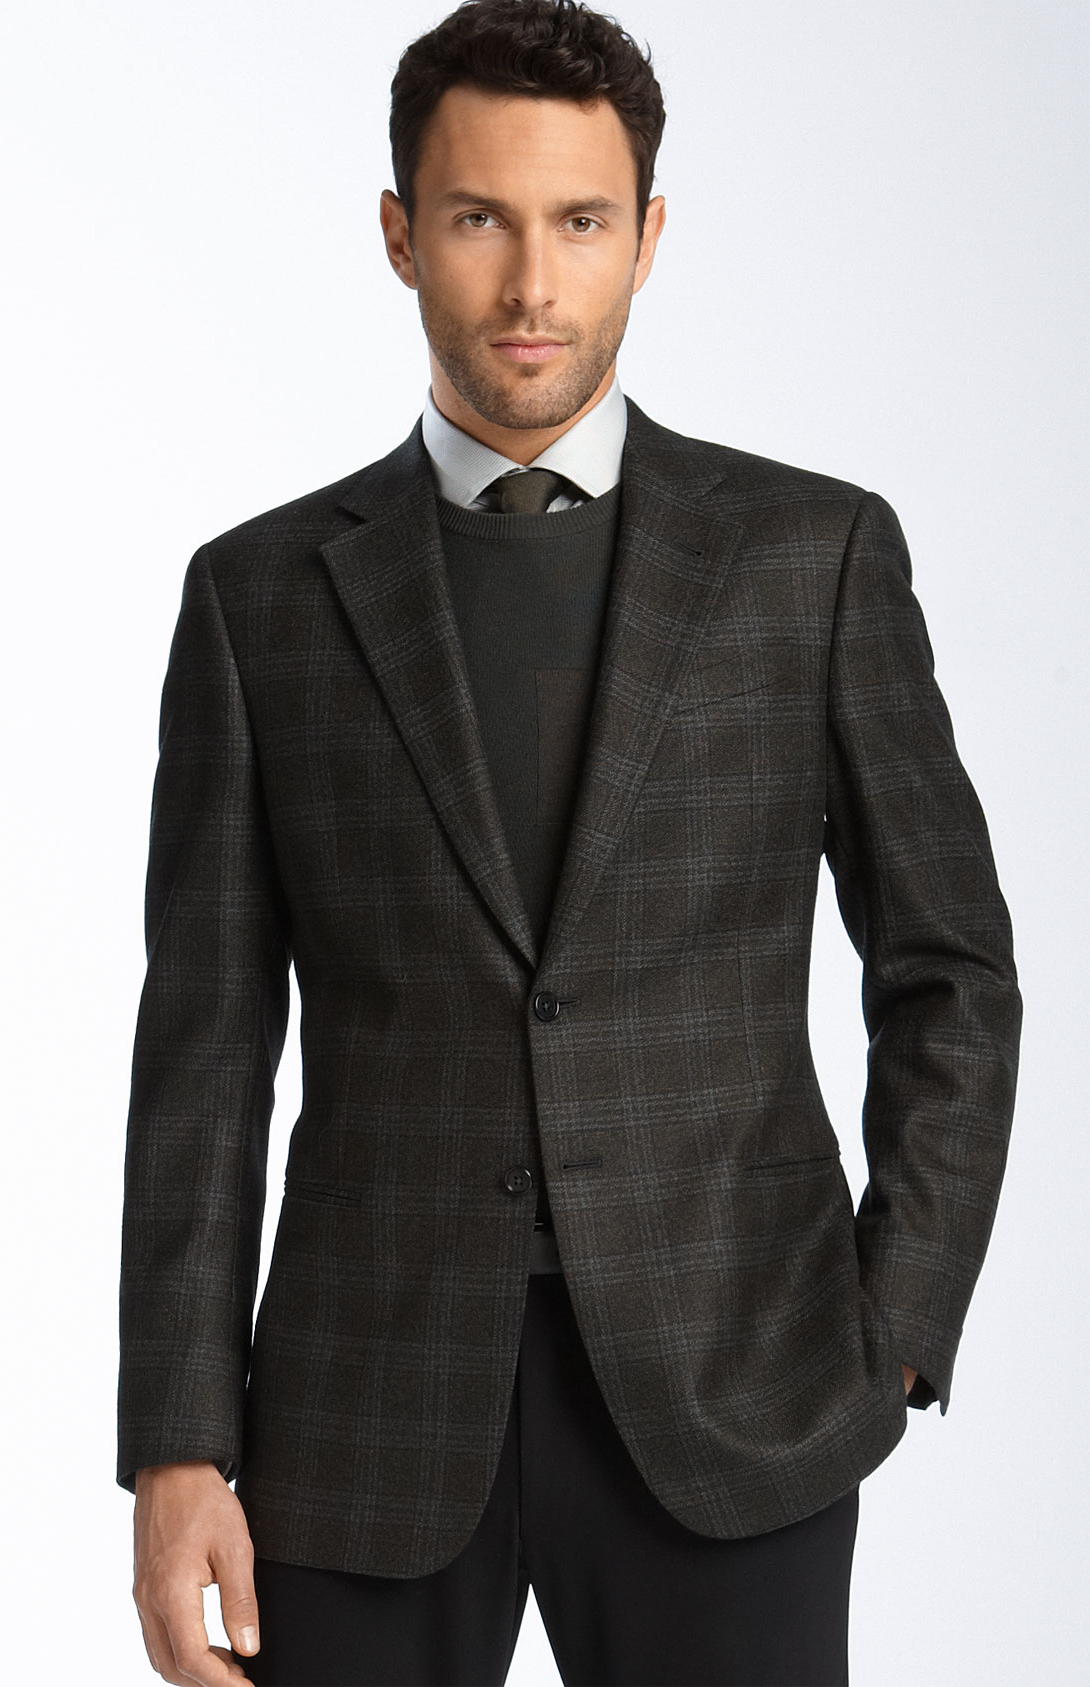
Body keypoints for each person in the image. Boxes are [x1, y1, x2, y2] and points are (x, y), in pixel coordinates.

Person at [117, 2, 1022, 1683]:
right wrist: (176, 1449)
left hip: (737, 1383)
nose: (533, 284)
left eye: (582, 221)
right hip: (360, 1408)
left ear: (648, 237)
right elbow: (204, 1049)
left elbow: (951, 969)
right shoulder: (260, 599)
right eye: (480, 218)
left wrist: (895, 1329)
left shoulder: (810, 560)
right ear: (400, 234)